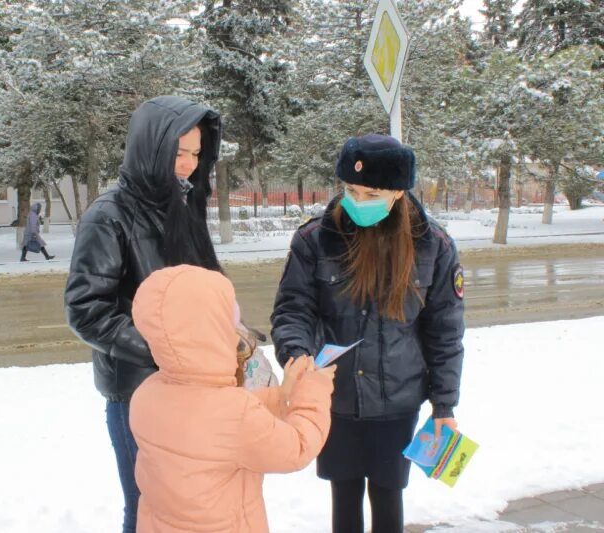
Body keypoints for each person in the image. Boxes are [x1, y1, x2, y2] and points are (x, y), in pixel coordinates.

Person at [271, 134, 465, 533]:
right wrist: (296, 352)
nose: (358, 201)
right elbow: (293, 308)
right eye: (351, 190)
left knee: (388, 492)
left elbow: (445, 331)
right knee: (343, 493)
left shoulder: (433, 246)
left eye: (371, 192)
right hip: (334, 395)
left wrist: (443, 406)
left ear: (397, 193)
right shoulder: (315, 238)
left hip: (398, 398)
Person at [64, 95, 223, 533]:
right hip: (138, 392)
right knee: (149, 509)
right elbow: (86, 309)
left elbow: (198, 291)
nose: (189, 164)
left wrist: (231, 332)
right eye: (179, 152)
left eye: (196, 153)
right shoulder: (109, 215)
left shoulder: (183, 206)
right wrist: (164, 351)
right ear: (151, 147)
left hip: (189, 387)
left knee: (183, 507)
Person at [129, 264, 334, 533]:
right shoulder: (235, 414)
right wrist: (313, 390)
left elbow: (209, 425)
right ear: (212, 334)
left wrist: (280, 396)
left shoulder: (146, 395)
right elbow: (296, 448)